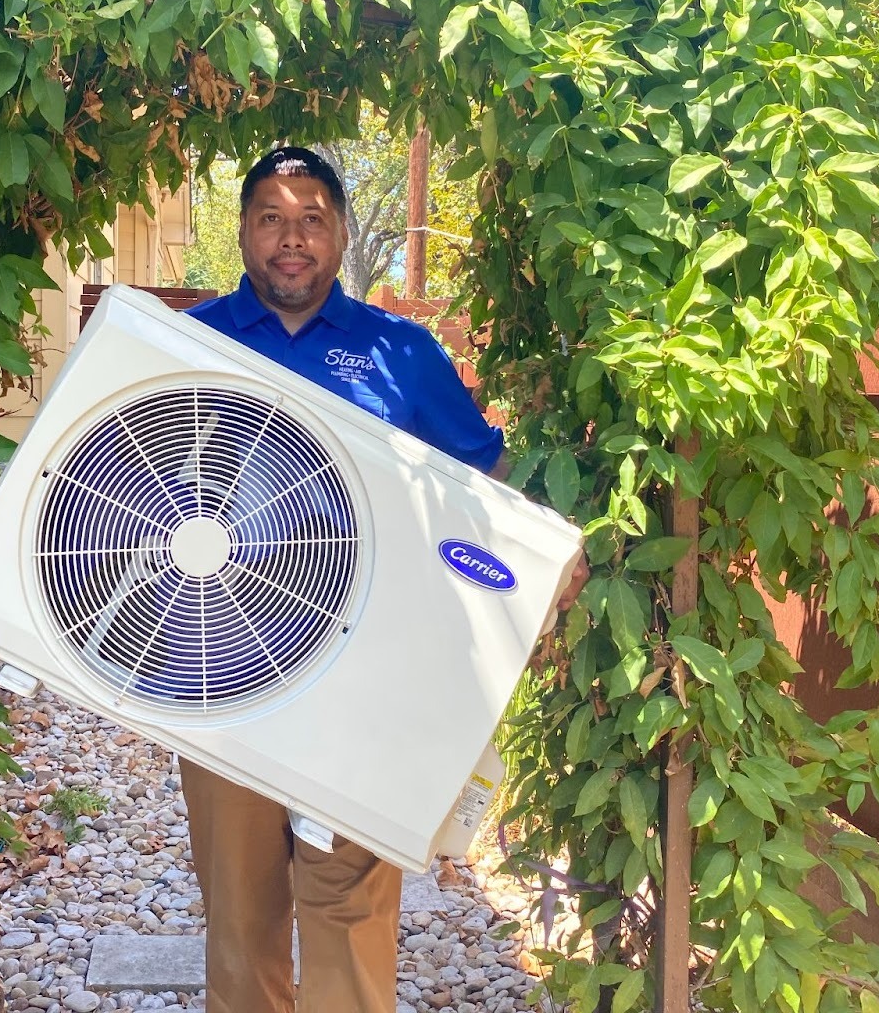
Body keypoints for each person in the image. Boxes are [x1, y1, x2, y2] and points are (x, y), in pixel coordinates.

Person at [179, 144, 588, 1013]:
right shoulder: (188, 344)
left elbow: (484, 486)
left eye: (312, 220)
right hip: (222, 674)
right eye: (271, 219)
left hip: (366, 674)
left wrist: (543, 555)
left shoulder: (402, 353)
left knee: (349, 911)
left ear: (341, 234)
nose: (292, 239)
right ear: (244, 232)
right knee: (240, 922)